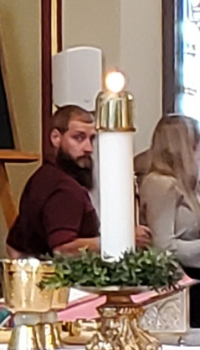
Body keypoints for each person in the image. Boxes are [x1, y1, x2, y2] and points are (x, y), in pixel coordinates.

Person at [8, 105, 150, 257]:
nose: (88, 148)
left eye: (91, 139)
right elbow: (63, 248)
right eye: (78, 137)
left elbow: (13, 244)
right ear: (56, 137)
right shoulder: (63, 188)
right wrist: (121, 240)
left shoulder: (44, 176)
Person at [139, 114, 200, 325]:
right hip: (182, 282)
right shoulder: (161, 184)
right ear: (184, 145)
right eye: (199, 139)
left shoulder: (191, 184)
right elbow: (163, 247)